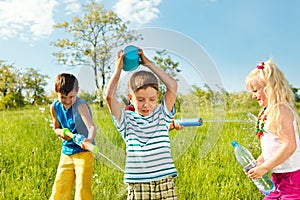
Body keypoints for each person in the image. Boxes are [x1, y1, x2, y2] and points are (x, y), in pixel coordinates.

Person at [105, 47, 178, 199]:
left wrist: (148, 63)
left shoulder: (162, 114)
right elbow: (109, 97)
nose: (146, 105)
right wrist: (118, 69)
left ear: (157, 97)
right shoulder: (126, 120)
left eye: (152, 99)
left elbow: (172, 86)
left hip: (165, 183)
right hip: (139, 186)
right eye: (140, 99)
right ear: (130, 98)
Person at [245, 59, 300, 199]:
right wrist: (260, 161)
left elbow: (289, 145)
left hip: (292, 178)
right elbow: (273, 145)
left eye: (256, 90)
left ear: (269, 88)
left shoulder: (281, 110)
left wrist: (265, 168)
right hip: (278, 177)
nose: (253, 95)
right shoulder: (267, 112)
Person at [49, 73, 97, 200]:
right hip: (67, 152)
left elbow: (91, 127)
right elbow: (56, 128)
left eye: (72, 97)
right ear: (56, 92)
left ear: (77, 91)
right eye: (63, 97)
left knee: (82, 188)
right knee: (60, 186)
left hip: (84, 152)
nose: (68, 101)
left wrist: (89, 140)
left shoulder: (80, 106)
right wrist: (62, 133)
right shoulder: (54, 107)